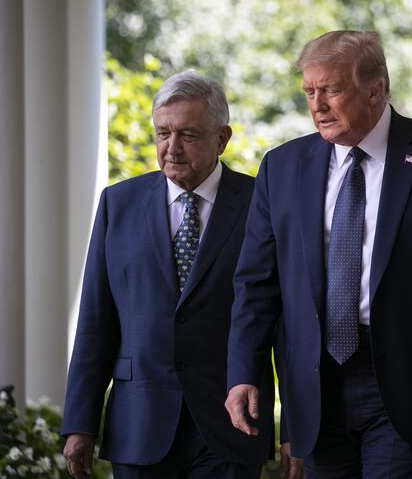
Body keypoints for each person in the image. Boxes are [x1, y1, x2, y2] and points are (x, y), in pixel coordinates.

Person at [225, 30, 412, 478]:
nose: (317, 104)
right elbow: (255, 284)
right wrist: (244, 371)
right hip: (317, 385)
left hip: (411, 379)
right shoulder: (282, 167)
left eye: (332, 89)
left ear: (375, 90)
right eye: (310, 91)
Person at [61, 71, 276, 479]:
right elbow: (96, 319)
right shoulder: (117, 204)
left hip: (230, 425)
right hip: (139, 423)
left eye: (188, 136)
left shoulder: (259, 205)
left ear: (222, 138)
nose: (172, 149)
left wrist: (292, 433)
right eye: (163, 133)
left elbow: (284, 323)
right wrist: (80, 422)